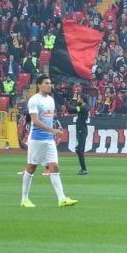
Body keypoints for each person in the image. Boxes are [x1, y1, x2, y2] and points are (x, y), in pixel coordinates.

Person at [20, 75, 77, 207]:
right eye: (46, 83)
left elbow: (49, 119)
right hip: (36, 139)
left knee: (54, 166)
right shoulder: (34, 100)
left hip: (49, 140)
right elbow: (35, 121)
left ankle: (62, 199)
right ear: (39, 85)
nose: (49, 86)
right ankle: (24, 199)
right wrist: (53, 131)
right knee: (31, 167)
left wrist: (52, 133)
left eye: (50, 83)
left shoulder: (51, 100)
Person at [66, 94, 89, 175]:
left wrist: (66, 102)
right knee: (79, 150)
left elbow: (70, 109)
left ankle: (84, 169)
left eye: (79, 98)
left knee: (79, 150)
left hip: (82, 131)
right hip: (81, 130)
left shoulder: (83, 108)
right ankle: (83, 169)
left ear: (82, 99)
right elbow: (73, 108)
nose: (78, 99)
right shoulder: (84, 106)